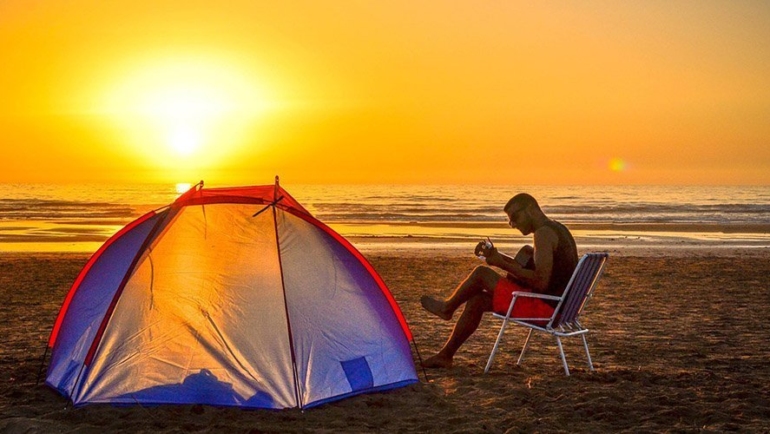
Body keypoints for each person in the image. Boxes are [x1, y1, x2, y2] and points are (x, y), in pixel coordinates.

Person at [420, 193, 578, 368]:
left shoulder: (543, 234)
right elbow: (535, 271)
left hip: (546, 310)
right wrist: (497, 257)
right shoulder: (558, 228)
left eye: (515, 218)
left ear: (531, 209)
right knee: (477, 301)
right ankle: (445, 356)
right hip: (560, 308)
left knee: (481, 274)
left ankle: (447, 308)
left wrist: (501, 264)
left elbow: (540, 281)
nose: (513, 225)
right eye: (509, 221)